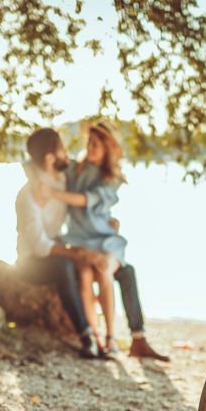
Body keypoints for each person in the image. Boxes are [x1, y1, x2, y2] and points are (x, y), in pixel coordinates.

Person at [65, 121, 170, 361]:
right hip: (81, 242)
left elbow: (91, 201)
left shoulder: (109, 176)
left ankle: (120, 339)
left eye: (96, 145)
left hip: (105, 243)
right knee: (98, 273)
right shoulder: (75, 169)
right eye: (88, 143)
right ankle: (99, 337)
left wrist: (110, 222)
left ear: (106, 149)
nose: (89, 148)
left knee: (116, 270)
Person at [14, 127, 105, 359]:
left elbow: (88, 194)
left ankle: (104, 335)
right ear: (49, 158)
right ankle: (86, 335)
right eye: (62, 150)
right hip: (30, 262)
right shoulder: (27, 196)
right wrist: (75, 253)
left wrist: (106, 221)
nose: (68, 155)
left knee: (102, 264)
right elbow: (39, 246)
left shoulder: (63, 180)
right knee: (65, 266)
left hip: (58, 246)